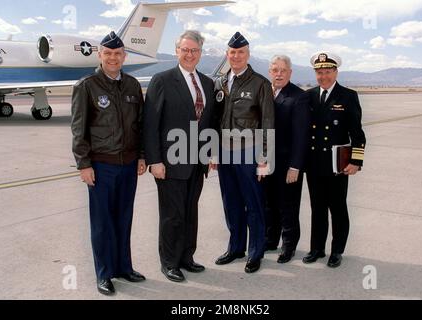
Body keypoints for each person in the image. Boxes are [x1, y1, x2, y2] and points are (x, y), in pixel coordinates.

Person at [71, 31, 147, 295]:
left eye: (118, 54)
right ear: (100, 55)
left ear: (124, 56)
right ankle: (104, 274)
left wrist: (141, 155)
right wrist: (84, 164)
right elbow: (79, 129)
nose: (113, 58)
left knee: (124, 218)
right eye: (108, 53)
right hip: (101, 166)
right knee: (102, 222)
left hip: (128, 165)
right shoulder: (87, 85)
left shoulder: (132, 85)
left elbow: (139, 125)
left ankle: (124, 267)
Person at [143, 30, 215, 282]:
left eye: (194, 50)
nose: (189, 54)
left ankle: (187, 257)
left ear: (200, 53)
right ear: (177, 51)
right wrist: (155, 160)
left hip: (197, 162)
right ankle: (169, 262)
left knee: (190, 212)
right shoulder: (162, 80)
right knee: (172, 215)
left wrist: (210, 153)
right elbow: (150, 123)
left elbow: (209, 124)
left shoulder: (207, 83)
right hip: (170, 162)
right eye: (185, 49)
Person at [214, 32, 274, 273]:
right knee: (231, 204)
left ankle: (255, 252)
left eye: (240, 52)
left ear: (247, 55)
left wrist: (264, 159)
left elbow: (268, 123)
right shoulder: (218, 82)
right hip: (224, 153)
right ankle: (235, 247)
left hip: (249, 153)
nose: (236, 56)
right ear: (227, 55)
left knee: (254, 205)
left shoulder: (259, 83)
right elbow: (213, 120)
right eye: (232, 52)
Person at [302, 52, 366, 268]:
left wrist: (356, 162)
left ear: (335, 72)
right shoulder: (308, 96)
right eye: (319, 72)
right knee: (317, 207)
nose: (323, 76)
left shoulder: (348, 96)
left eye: (327, 72)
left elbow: (357, 133)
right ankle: (317, 248)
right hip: (314, 164)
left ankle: (337, 250)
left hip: (337, 165)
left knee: (337, 208)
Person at [263, 55, 310, 263]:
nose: (279, 74)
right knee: (269, 204)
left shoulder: (298, 97)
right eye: (275, 70)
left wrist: (295, 166)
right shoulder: (265, 93)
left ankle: (289, 246)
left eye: (283, 70)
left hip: (287, 164)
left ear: (290, 73)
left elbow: (301, 135)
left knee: (287, 206)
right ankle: (270, 240)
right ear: (270, 72)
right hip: (266, 162)